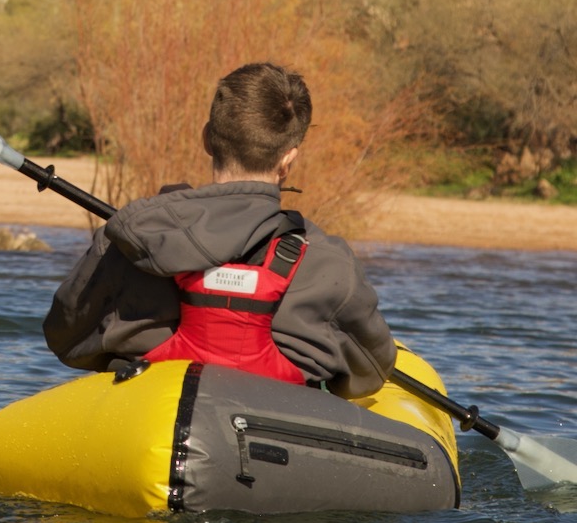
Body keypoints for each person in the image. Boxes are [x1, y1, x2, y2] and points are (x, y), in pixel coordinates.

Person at [43, 62, 396, 399]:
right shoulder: (330, 264)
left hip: (145, 420)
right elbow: (369, 375)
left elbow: (66, 340)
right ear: (289, 160)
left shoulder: (129, 239)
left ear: (207, 139)